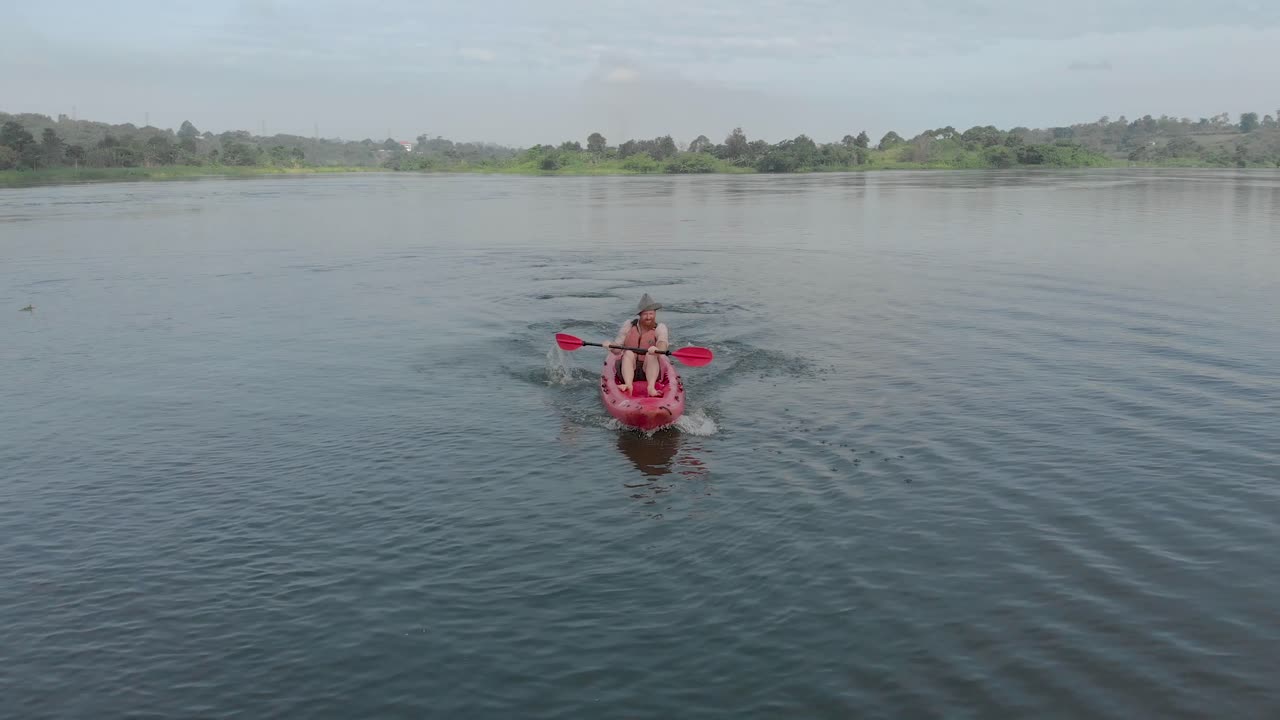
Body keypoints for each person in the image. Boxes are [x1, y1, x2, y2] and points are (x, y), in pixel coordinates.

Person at [602, 293, 669, 397]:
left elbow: (663, 343)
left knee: (651, 355)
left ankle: (651, 388)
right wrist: (610, 346)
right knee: (628, 352)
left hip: (650, 369)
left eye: (651, 314)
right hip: (628, 368)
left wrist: (657, 350)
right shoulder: (628, 325)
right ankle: (628, 385)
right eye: (645, 314)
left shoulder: (660, 327)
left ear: (655, 313)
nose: (648, 317)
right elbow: (618, 349)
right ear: (640, 315)